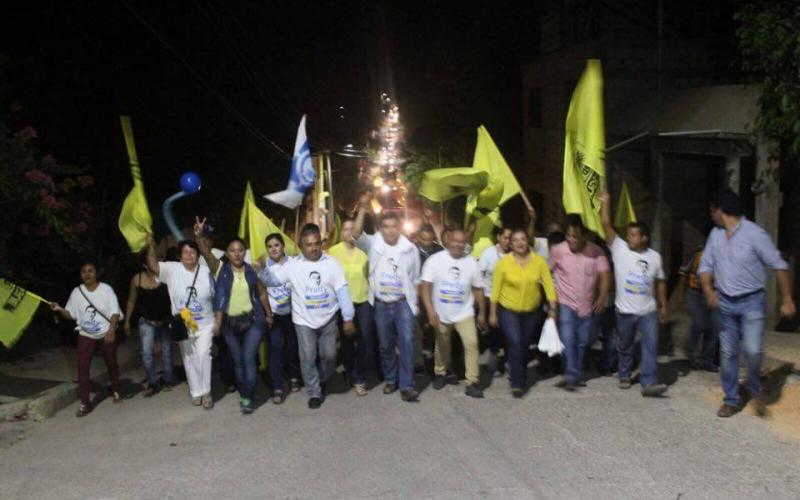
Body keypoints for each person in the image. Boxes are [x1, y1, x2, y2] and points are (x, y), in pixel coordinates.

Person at [698, 190, 796, 418]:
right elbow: (705, 266)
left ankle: (752, 383)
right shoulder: (715, 235)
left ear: (721, 210)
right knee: (729, 353)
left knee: (752, 350)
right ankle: (731, 399)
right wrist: (707, 289)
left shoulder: (755, 234)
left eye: (713, 211)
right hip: (725, 302)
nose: (712, 215)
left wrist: (788, 299)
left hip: (751, 302)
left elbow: (779, 264)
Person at [259, 223, 356, 409]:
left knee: (329, 357)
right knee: (308, 357)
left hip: (328, 319)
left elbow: (342, 290)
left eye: (316, 243)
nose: (313, 248)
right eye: (309, 245)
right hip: (303, 321)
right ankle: (314, 392)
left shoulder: (332, 264)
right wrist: (260, 268)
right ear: (300, 246)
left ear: (321, 243)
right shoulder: (292, 266)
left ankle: (321, 378)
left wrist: (348, 317)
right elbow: (272, 281)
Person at [194, 219, 273, 414]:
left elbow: (262, 293)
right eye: (232, 250)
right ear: (227, 253)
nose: (236, 253)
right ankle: (245, 392)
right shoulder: (220, 269)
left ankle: (249, 395)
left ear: (244, 252)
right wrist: (198, 236)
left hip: (252, 321)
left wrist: (268, 314)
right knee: (238, 361)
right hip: (229, 324)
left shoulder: (252, 270)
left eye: (240, 250)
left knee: (248, 358)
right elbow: (205, 252)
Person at [353, 192, 422, 402]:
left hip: (403, 304)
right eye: (386, 227)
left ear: (399, 227)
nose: (390, 230)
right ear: (381, 229)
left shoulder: (410, 249)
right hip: (382, 305)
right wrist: (363, 208)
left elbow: (416, 278)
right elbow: (355, 234)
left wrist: (414, 305)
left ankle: (407, 385)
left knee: (407, 342)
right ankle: (391, 379)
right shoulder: (373, 243)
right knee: (385, 344)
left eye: (394, 226)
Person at [600, 191, 669, 397]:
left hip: (648, 311)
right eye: (628, 234)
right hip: (625, 311)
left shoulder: (655, 257)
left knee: (650, 344)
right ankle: (624, 373)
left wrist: (663, 305)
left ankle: (648, 382)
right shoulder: (619, 249)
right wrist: (606, 202)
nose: (628, 237)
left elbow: (661, 281)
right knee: (626, 343)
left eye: (633, 234)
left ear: (644, 238)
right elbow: (606, 225)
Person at [145, 235, 216, 409]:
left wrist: (199, 239)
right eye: (185, 252)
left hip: (206, 323)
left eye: (192, 252)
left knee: (203, 354)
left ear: (198, 255)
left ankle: (206, 392)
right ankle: (196, 391)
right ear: (180, 255)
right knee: (189, 357)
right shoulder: (172, 269)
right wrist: (150, 246)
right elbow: (153, 266)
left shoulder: (206, 271)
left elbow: (216, 268)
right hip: (184, 323)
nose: (189, 255)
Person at [489, 229, 557, 398]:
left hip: (531, 311)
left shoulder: (539, 261)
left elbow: (549, 286)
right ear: (511, 244)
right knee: (515, 341)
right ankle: (517, 383)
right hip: (508, 310)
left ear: (528, 242)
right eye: (516, 240)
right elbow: (495, 289)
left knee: (524, 344)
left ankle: (521, 374)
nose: (520, 243)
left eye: (523, 239)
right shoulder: (504, 263)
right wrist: (492, 313)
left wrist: (553, 308)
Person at [50, 262, 123, 417]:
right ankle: (85, 403)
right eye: (84, 272)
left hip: (105, 332)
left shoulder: (106, 290)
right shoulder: (77, 292)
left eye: (90, 271)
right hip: (85, 334)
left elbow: (115, 312)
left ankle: (115, 388)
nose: (87, 274)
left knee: (111, 362)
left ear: (96, 273)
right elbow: (70, 314)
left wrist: (111, 331)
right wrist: (59, 309)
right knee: (82, 368)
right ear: (81, 275)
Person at [421, 229, 487, 398]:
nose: (458, 245)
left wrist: (482, 312)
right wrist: (430, 311)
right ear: (448, 241)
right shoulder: (434, 261)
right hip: (441, 312)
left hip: (464, 312)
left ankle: (472, 381)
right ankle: (440, 372)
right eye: (455, 241)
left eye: (461, 242)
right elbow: (425, 287)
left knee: (471, 343)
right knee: (442, 345)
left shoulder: (471, 263)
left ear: (465, 243)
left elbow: (478, 289)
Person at [549, 214, 610, 391]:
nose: (571, 239)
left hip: (587, 304)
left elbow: (605, 275)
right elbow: (546, 273)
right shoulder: (558, 250)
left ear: (584, 235)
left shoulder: (596, 252)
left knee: (583, 341)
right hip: (565, 302)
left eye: (575, 236)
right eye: (568, 235)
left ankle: (574, 370)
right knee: (568, 338)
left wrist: (602, 297)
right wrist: (551, 300)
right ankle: (572, 375)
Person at [328, 219, 376, 396]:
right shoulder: (333, 252)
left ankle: (359, 377)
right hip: (343, 303)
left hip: (363, 300)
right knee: (347, 341)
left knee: (365, 339)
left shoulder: (364, 250)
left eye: (352, 229)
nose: (349, 232)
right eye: (346, 229)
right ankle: (350, 370)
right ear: (341, 233)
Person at [256, 233, 303, 402]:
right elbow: (262, 293)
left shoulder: (294, 263)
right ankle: (277, 387)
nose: (273, 249)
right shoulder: (262, 267)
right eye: (269, 246)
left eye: (276, 245)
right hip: (274, 315)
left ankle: (294, 377)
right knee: (275, 349)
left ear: (283, 246)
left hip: (294, 313)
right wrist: (268, 314)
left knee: (292, 347)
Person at [124, 253, 174, 397]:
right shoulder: (137, 279)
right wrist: (127, 321)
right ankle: (152, 382)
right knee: (147, 354)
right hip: (146, 321)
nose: (157, 263)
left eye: (157, 261)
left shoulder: (165, 277)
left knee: (167, 351)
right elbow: (131, 301)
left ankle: (168, 379)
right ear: (145, 264)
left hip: (165, 320)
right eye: (153, 261)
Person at [676, 243, 719, 372]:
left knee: (714, 326)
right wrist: (680, 294)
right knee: (699, 322)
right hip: (694, 292)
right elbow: (683, 274)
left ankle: (707, 359)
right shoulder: (696, 253)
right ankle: (691, 353)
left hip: (715, 293)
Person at [478, 225, 512, 375]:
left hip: (508, 298)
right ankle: (494, 362)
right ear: (498, 238)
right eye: (505, 238)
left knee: (508, 331)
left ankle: (508, 361)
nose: (508, 241)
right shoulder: (489, 253)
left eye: (510, 238)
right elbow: (479, 276)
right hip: (489, 296)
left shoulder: (515, 254)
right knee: (493, 330)